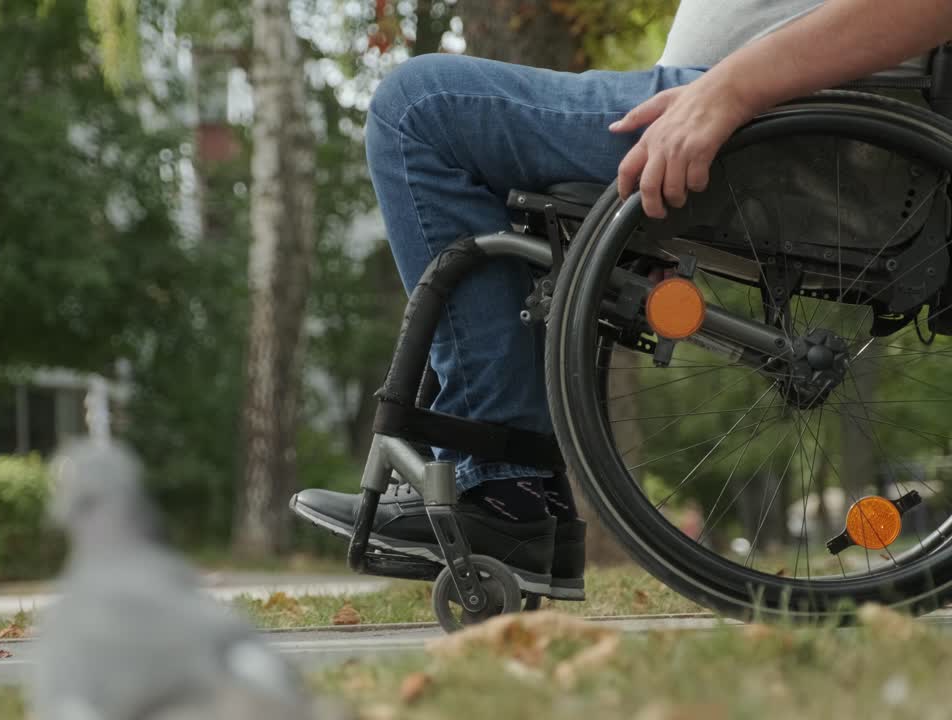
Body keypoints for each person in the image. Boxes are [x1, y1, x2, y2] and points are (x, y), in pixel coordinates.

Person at [291, 1, 952, 597]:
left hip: (793, 124)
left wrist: (729, 88)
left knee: (418, 108)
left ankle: (496, 489)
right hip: (766, 116)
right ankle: (506, 492)